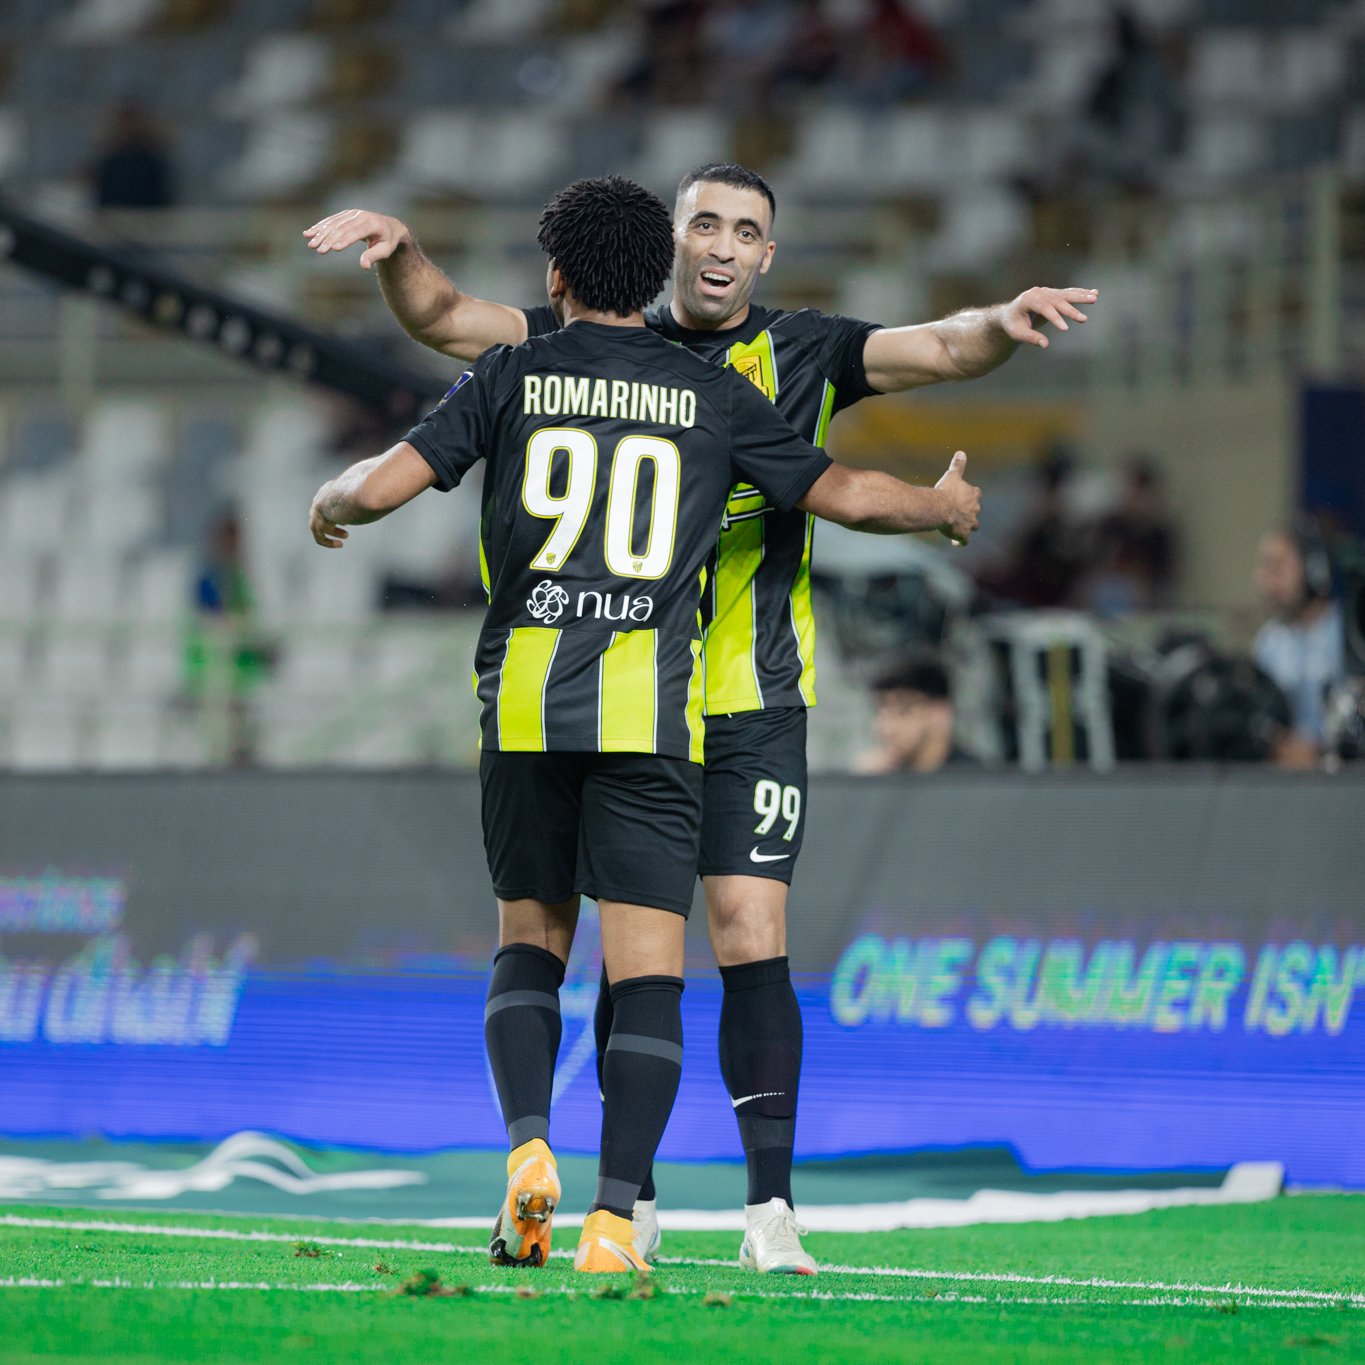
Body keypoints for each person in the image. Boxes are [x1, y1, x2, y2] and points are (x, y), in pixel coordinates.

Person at [303, 162, 1083, 1273]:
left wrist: (1003, 320)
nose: (722, 244)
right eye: (704, 222)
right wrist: (403, 258)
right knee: (644, 955)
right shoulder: (601, 343)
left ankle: (764, 1210)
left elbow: (946, 345)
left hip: (739, 698)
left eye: (746, 230)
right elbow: (438, 314)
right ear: (669, 242)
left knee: (735, 937)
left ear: (768, 254)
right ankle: (637, 1203)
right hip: (654, 703)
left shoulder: (787, 350)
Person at [1252, 523, 1344, 765]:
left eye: (1278, 567)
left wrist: (1319, 754)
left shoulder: (1349, 636)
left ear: (1315, 571)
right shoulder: (1269, 641)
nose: (1264, 579)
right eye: (1264, 567)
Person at [853, 652, 972, 774]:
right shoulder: (888, 774)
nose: (886, 729)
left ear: (940, 713)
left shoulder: (975, 782)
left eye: (903, 712)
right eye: (879, 712)